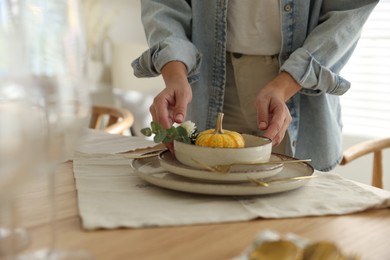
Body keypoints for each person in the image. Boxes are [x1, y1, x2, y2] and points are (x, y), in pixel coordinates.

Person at [132, 0, 378, 171]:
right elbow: (163, 4)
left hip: (298, 92)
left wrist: (287, 84)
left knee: (296, 219)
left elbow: (348, 11)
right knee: (203, 217)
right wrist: (174, 73)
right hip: (206, 85)